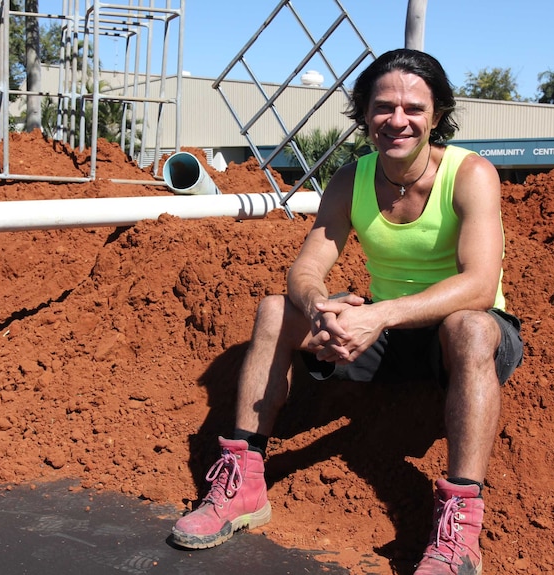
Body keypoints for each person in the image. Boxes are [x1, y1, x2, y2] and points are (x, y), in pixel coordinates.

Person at [170, 48, 524, 575]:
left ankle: (459, 529)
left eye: (414, 108)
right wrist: (318, 310)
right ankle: (243, 482)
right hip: (388, 332)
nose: (397, 120)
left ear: (437, 114)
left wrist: (379, 316)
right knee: (274, 310)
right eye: (383, 106)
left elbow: (477, 284)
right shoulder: (349, 179)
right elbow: (305, 269)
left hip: (461, 334)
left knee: (469, 328)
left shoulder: (470, 173)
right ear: (363, 113)